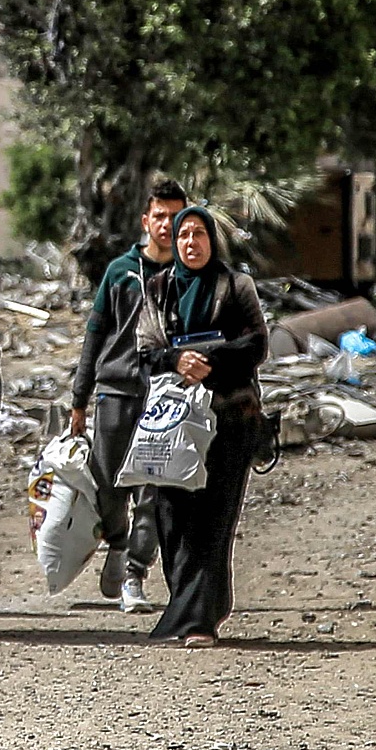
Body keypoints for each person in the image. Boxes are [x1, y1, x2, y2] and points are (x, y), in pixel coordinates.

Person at [134, 206, 269, 648]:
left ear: (213, 240)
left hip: (230, 419)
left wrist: (208, 359)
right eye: (183, 235)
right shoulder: (158, 288)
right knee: (172, 519)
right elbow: (145, 348)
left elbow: (256, 343)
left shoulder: (236, 286)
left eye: (199, 234)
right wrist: (176, 360)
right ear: (172, 242)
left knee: (214, 518)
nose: (192, 243)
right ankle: (191, 605)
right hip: (172, 423)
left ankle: (199, 621)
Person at [69, 177, 189, 614]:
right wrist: (79, 399)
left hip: (167, 395)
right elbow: (95, 334)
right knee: (108, 484)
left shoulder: (189, 276)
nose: (167, 225)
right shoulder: (120, 271)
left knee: (154, 490)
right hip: (116, 391)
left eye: (177, 218)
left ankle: (136, 573)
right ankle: (117, 547)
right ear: (146, 220)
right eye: (160, 216)